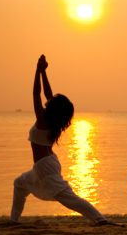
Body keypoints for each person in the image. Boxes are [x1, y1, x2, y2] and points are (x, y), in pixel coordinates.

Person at [10, 55, 109, 225]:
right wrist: (43, 72)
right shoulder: (52, 121)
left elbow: (36, 93)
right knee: (20, 184)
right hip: (44, 164)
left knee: (68, 198)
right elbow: (48, 95)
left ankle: (100, 219)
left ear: (53, 109)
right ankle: (13, 221)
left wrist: (37, 70)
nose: (49, 101)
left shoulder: (43, 119)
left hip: (46, 166)